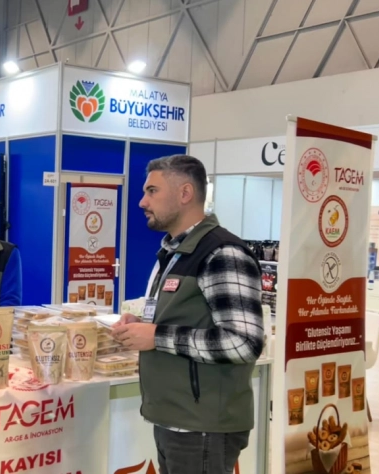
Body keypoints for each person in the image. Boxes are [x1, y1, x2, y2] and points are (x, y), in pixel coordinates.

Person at [111, 155, 264, 474]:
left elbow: (244, 343)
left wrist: (156, 336)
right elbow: (186, 317)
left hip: (203, 427)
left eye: (152, 191)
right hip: (176, 419)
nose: (142, 202)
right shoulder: (176, 252)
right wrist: (144, 326)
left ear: (185, 193)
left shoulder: (222, 253)